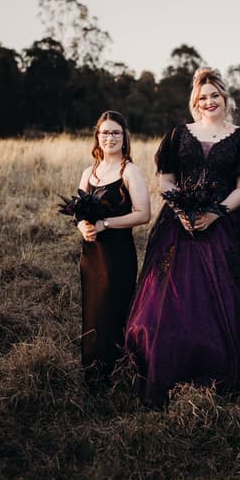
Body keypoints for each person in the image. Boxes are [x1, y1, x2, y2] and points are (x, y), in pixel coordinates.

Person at [124, 67, 240, 406]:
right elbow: (166, 179)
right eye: (203, 97)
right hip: (178, 226)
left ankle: (220, 370)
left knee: (222, 300)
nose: (209, 102)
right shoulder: (178, 134)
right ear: (195, 101)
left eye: (215, 95)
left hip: (222, 225)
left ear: (225, 98)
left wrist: (215, 214)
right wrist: (181, 211)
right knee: (168, 300)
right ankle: (164, 367)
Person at [76, 110, 151, 384]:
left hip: (117, 255)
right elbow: (78, 213)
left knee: (113, 310)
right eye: (105, 132)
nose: (110, 137)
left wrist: (105, 224)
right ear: (97, 136)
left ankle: (116, 370)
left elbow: (143, 214)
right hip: (91, 254)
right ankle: (92, 370)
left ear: (124, 137)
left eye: (116, 132)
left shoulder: (129, 171)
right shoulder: (89, 172)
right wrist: (82, 227)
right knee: (93, 309)